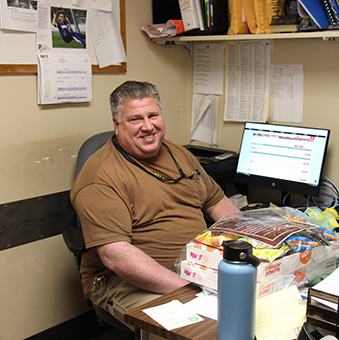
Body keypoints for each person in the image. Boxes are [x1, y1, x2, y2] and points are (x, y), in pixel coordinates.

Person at [70, 81, 240, 329]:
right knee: (201, 329)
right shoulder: (100, 177)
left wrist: (252, 246)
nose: (148, 127)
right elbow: (117, 257)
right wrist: (191, 291)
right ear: (117, 125)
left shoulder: (179, 154)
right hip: (123, 280)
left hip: (196, 268)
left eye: (153, 115)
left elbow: (219, 204)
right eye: (136, 119)